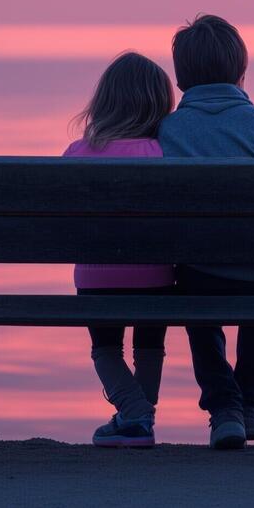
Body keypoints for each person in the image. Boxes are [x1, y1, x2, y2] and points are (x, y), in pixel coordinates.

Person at [157, 14, 254, 450]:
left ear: (180, 80)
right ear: (241, 71)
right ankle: (252, 403)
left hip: (199, 270)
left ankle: (224, 408)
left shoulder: (167, 129)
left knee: (194, 288)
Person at [65, 51, 176, 448]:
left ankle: (134, 415)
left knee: (105, 346)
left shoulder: (77, 154)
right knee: (151, 343)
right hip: (155, 277)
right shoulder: (165, 156)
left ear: (104, 102)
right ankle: (138, 417)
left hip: (97, 278)